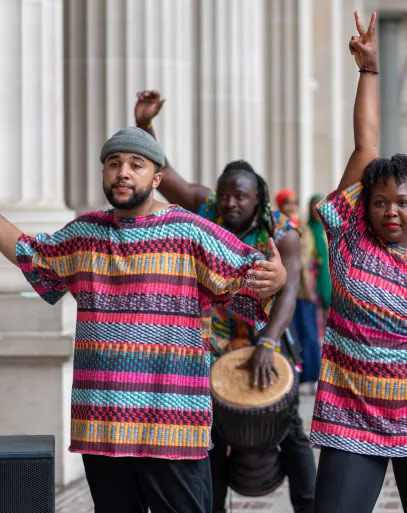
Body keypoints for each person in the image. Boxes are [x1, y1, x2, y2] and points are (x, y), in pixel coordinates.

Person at [0, 127, 287, 513]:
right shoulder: (85, 234)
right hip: (101, 424)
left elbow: (256, 277)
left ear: (155, 179)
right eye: (114, 164)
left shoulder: (190, 232)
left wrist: (278, 279)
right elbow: (31, 254)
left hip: (172, 424)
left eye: (136, 165)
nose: (123, 172)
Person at [311, 12, 407, 513]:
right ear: (365, 206)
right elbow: (366, 146)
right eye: (380, 201)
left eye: (402, 201)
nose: (390, 210)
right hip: (351, 412)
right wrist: (369, 71)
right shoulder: (349, 239)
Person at [133, 91, 316, 513]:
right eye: (226, 194)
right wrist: (144, 126)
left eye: (241, 197)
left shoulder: (282, 229)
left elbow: (288, 292)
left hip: (264, 335)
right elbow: (167, 174)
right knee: (211, 432)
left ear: (258, 200)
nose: (231, 202)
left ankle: (309, 506)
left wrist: (268, 343)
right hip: (211, 340)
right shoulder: (207, 206)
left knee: (288, 429)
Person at [291, 194, 327, 385]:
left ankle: (315, 373)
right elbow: (303, 260)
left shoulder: (327, 230)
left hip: (324, 287)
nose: (317, 209)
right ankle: (307, 373)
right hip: (305, 288)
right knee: (307, 331)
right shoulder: (305, 229)